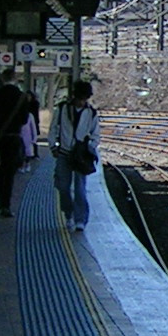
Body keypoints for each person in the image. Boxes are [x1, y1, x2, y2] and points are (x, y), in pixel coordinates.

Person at [50, 80, 100, 230]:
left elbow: (95, 135)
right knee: (63, 187)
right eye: (80, 98)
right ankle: (68, 213)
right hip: (64, 153)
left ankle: (80, 219)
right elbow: (53, 128)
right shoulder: (62, 109)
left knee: (80, 188)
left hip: (81, 156)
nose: (81, 102)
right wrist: (53, 146)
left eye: (84, 98)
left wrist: (89, 147)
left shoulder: (91, 113)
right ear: (74, 96)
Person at [0, 67, 31, 216]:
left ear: (2, 79)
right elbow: (24, 120)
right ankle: (7, 205)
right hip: (14, 138)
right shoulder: (21, 97)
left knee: (0, 171)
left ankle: (1, 203)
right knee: (10, 173)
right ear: (15, 78)